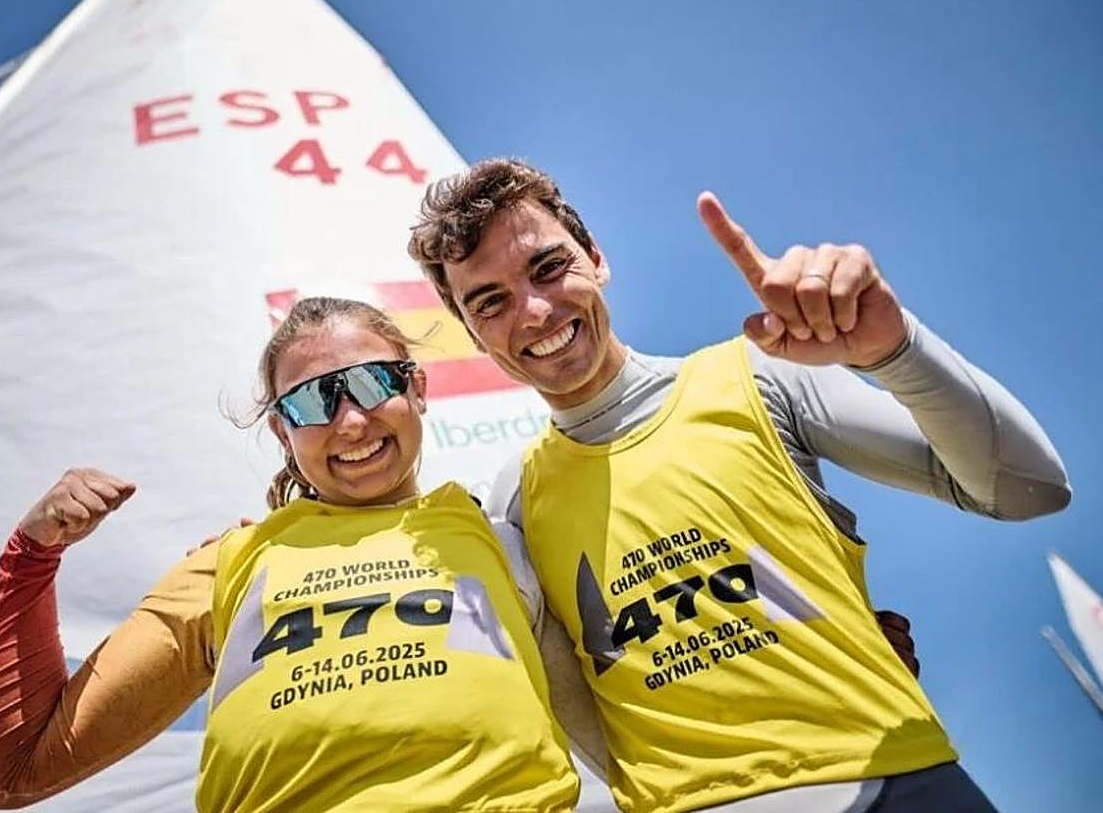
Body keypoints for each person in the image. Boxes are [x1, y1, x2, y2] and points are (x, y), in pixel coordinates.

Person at [406, 158, 1071, 813]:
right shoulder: (511, 503)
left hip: (898, 787)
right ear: (473, 335)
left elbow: (1028, 488)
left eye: (549, 268)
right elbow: (565, 720)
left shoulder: (757, 378)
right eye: (490, 302)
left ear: (598, 258)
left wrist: (894, 349)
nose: (534, 310)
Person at [0, 296, 580, 811]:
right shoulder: (228, 565)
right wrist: (31, 555)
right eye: (312, 403)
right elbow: (16, 770)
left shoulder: (506, 535)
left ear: (416, 388)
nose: (350, 421)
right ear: (282, 432)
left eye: (371, 383)